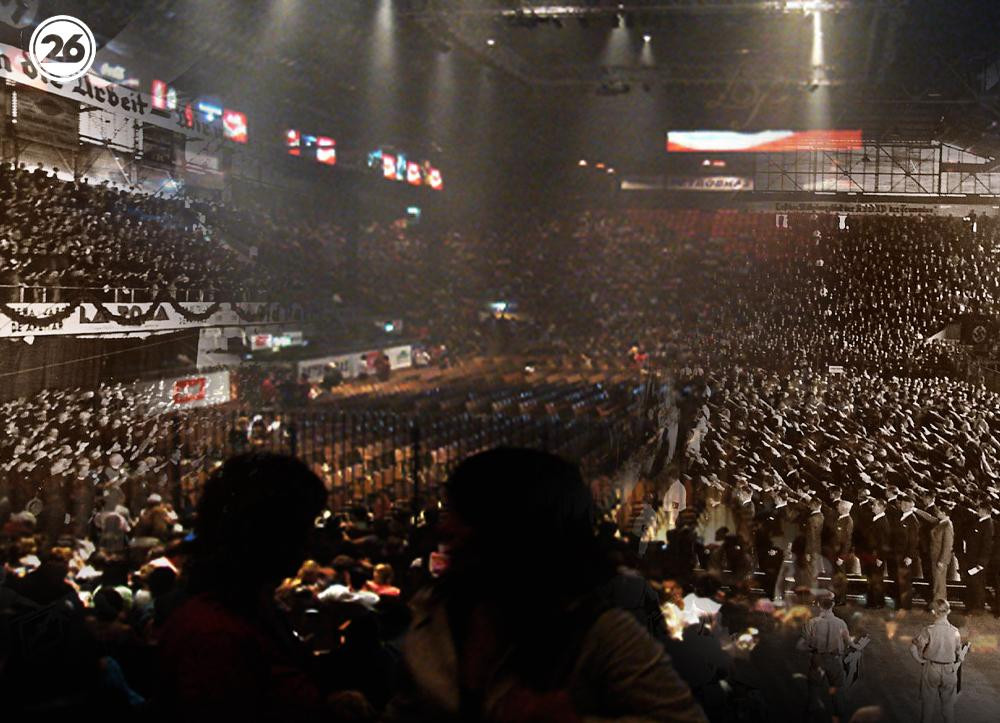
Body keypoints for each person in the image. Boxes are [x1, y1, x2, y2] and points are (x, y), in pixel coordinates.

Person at [384, 447, 706, 722]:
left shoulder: (599, 633)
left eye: (463, 515)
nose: (445, 530)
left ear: (513, 528)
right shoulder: (435, 613)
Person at [155, 452, 334, 721]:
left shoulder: (248, 609)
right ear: (263, 531)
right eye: (301, 527)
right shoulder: (215, 639)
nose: (310, 542)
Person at [798, 592, 854, 720]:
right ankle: (840, 716)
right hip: (835, 660)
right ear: (833, 604)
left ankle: (810, 716)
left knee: (813, 691)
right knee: (837, 692)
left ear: (819, 605)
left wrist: (813, 647)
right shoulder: (841, 623)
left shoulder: (812, 623)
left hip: (817, 658)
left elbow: (803, 643)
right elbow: (849, 642)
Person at [910, 599, 967, 723]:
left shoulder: (929, 630)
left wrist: (920, 660)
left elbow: (913, 648)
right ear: (948, 611)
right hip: (949, 670)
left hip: (931, 668)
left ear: (933, 612)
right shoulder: (955, 632)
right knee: (948, 709)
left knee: (927, 708)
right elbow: (960, 655)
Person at [928, 506, 954, 606]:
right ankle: (938, 603)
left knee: (939, 582)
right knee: (937, 581)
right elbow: (929, 517)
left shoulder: (947, 525)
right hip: (936, 557)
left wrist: (942, 560)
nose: (937, 513)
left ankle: (939, 605)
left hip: (940, 558)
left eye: (938, 511)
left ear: (944, 513)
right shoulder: (941, 522)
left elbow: (948, 545)